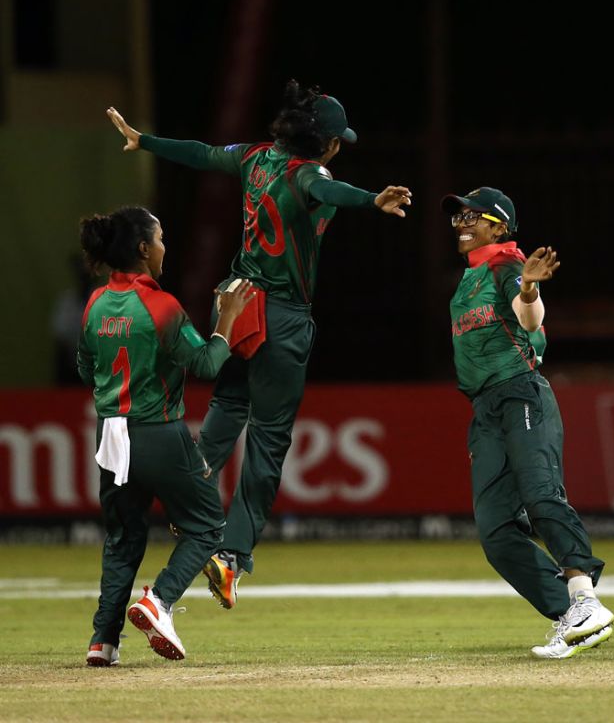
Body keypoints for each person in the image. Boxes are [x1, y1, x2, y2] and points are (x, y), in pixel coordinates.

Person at [106, 82, 413, 608]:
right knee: (269, 440)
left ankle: (191, 490)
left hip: (236, 300)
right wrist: (371, 200)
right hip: (282, 316)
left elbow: (202, 154)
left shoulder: (254, 157)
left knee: (229, 405)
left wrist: (146, 141)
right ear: (327, 143)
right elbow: (327, 192)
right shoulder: (311, 174)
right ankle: (232, 556)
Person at [77, 206, 254, 665]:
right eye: (159, 239)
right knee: (207, 526)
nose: (163, 247)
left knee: (123, 538)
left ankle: (103, 641)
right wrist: (228, 317)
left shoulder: (95, 303)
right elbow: (207, 364)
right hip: (158, 431)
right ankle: (159, 600)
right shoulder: (161, 306)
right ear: (142, 249)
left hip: (109, 434)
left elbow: (86, 369)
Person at [442, 186, 613, 659]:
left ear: (499, 226)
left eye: (473, 216)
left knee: (540, 495)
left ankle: (584, 596)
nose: (462, 224)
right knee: (496, 531)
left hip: (520, 392)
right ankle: (572, 616)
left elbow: (530, 321)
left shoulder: (507, 264)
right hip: (485, 409)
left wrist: (529, 288)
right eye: (459, 217)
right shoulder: (469, 277)